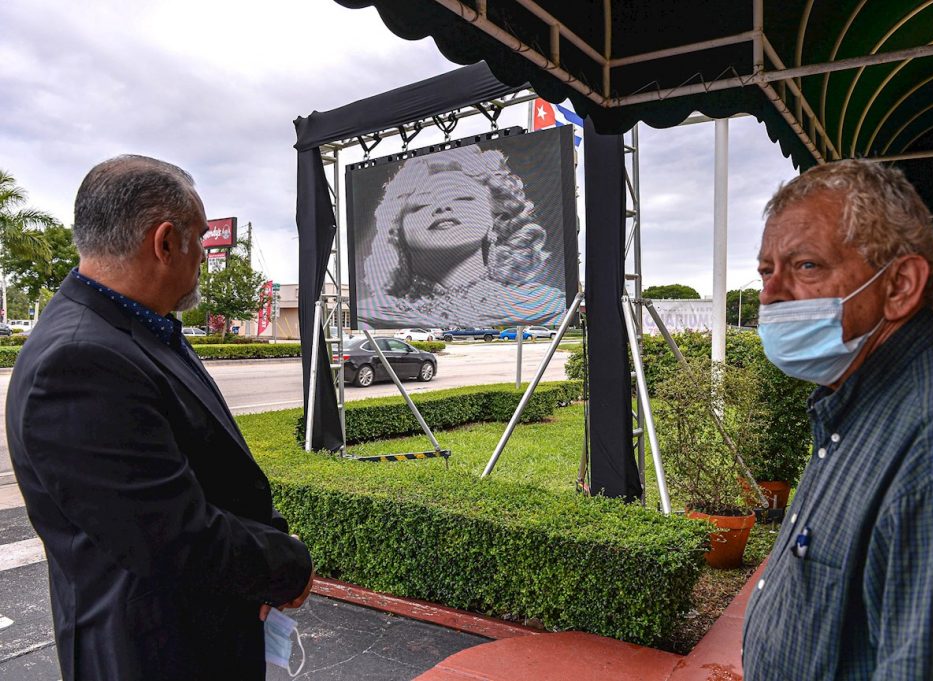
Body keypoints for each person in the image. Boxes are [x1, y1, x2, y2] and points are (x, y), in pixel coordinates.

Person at [6, 155, 314, 680]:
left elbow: (212, 472)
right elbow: (171, 535)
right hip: (154, 654)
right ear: (166, 241)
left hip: (195, 635)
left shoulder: (136, 327)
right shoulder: (80, 360)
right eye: (198, 240)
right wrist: (285, 567)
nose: (201, 255)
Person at [742, 159, 933, 679]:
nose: (769, 293)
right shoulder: (861, 402)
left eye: (805, 266)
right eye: (766, 271)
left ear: (899, 285)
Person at [357, 145, 566, 328]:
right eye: (421, 204)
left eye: (463, 197)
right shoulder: (370, 317)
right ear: (397, 232)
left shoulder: (547, 307)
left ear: (494, 219)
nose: (442, 207)